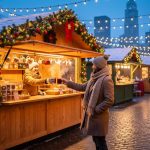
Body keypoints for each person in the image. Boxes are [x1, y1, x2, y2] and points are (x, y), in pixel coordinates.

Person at [62, 55, 114, 150]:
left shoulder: (106, 80)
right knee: (97, 142)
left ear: (99, 66)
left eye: (94, 65)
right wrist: (68, 83)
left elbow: (109, 100)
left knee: (100, 142)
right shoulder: (93, 79)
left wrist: (96, 109)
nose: (92, 67)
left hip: (99, 118)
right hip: (93, 117)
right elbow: (82, 87)